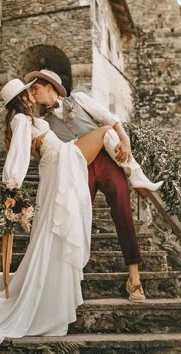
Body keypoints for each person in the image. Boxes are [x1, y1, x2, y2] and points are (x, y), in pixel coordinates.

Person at [0, 78, 120, 353]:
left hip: (59, 163)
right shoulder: (21, 120)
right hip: (61, 163)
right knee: (107, 130)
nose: (32, 94)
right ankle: (133, 168)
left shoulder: (25, 119)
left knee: (57, 230)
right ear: (22, 97)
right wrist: (10, 190)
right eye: (28, 91)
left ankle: (131, 166)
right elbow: (18, 158)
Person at [24, 69, 163, 303]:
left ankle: (134, 278)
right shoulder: (43, 123)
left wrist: (126, 141)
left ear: (50, 86)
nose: (32, 93)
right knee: (74, 219)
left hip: (106, 159)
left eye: (35, 88)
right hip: (77, 169)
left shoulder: (78, 99)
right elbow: (49, 157)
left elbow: (110, 119)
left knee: (123, 211)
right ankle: (69, 282)